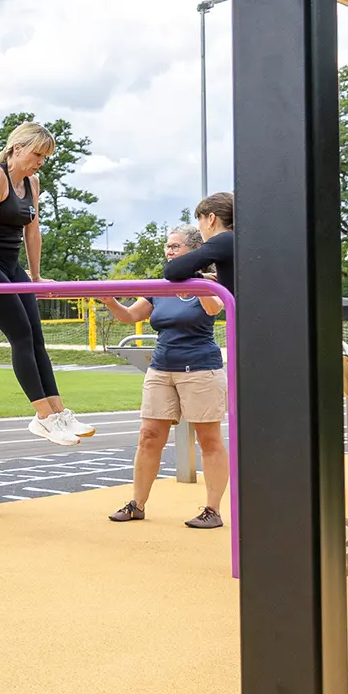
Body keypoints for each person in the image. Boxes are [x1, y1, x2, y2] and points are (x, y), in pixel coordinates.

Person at [0, 121, 92, 445]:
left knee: (37, 337)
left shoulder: (32, 182)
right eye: (37, 154)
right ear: (17, 148)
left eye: (44, 157)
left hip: (11, 264)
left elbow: (32, 232)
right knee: (21, 335)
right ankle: (43, 416)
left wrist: (35, 276)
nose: (40, 162)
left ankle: (59, 412)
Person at [99, 226, 229, 529]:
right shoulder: (161, 285)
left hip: (200, 368)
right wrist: (111, 302)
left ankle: (213, 509)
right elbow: (131, 316)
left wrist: (196, 279)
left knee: (208, 439)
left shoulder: (209, 283)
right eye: (167, 247)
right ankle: (137, 504)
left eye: (176, 247)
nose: (169, 252)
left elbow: (214, 309)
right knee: (148, 436)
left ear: (194, 251)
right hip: (162, 367)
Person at [164, 191, 234, 297]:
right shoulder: (240, 239)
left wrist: (200, 277)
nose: (199, 228)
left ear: (211, 219)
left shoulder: (223, 240)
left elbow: (172, 270)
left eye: (199, 220)